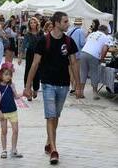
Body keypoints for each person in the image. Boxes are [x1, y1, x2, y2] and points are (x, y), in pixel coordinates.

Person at [24, 11, 81, 165]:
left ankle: (49, 141)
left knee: (56, 116)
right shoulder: (43, 41)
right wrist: (28, 86)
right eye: (65, 21)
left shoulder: (69, 42)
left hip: (63, 84)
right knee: (50, 116)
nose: (67, 24)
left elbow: (74, 63)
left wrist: (79, 85)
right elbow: (35, 64)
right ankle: (54, 150)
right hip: (48, 83)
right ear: (56, 23)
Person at [0, 62, 23, 159]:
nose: (8, 77)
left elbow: (16, 96)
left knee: (16, 130)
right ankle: (4, 150)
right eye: (6, 74)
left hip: (13, 111)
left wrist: (24, 94)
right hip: (3, 113)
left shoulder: (12, 85)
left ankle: (14, 150)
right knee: (4, 131)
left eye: (9, 75)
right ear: (1, 75)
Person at [80, 25, 110, 100]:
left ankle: (80, 92)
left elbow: (86, 43)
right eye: (107, 31)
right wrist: (101, 59)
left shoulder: (92, 34)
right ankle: (95, 93)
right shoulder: (105, 37)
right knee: (94, 73)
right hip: (93, 55)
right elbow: (105, 49)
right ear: (105, 30)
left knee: (83, 73)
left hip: (83, 52)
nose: (108, 32)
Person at [18, 17, 43, 101]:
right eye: (31, 23)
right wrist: (20, 57)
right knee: (28, 71)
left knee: (37, 72)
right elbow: (23, 45)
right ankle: (28, 91)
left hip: (39, 54)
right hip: (30, 54)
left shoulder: (41, 33)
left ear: (37, 24)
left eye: (34, 22)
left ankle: (35, 89)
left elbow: (44, 44)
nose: (32, 24)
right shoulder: (27, 34)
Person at [67, 18, 86, 95]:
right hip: (77, 54)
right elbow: (82, 43)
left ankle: (72, 87)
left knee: (71, 71)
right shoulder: (81, 31)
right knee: (77, 71)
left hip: (69, 53)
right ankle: (74, 88)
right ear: (80, 24)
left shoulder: (69, 31)